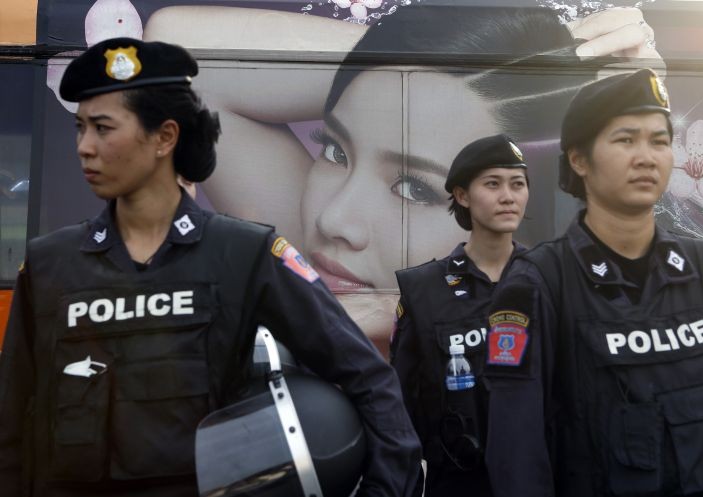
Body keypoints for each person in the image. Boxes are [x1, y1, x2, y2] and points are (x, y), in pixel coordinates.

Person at [0, 37, 421, 497]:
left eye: (103, 128)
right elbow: (12, 422)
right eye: (80, 128)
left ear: (165, 137)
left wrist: (385, 489)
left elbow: (367, 377)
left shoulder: (246, 254)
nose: (83, 146)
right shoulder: (49, 264)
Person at [142, 4, 662, 351]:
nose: (333, 217)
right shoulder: (326, 267)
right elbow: (179, 57)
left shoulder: (563, 394)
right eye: (335, 151)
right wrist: (482, 68)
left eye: (414, 188)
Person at [488, 68, 703, 497]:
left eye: (659, 140)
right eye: (625, 140)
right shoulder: (538, 284)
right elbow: (514, 452)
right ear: (579, 159)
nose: (646, 156)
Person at [390, 134, 532, 496]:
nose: (508, 196)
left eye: (518, 184)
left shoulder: (548, 278)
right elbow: (402, 410)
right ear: (462, 195)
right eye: (492, 183)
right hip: (458, 480)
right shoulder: (424, 290)